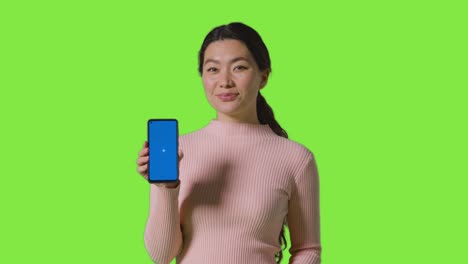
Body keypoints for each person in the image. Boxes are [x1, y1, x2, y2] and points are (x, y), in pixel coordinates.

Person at [136, 22, 321, 264]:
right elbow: (161, 256)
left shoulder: (296, 158)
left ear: (263, 76)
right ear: (202, 76)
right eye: (212, 69)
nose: (224, 81)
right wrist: (165, 188)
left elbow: (308, 249)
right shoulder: (177, 151)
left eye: (239, 68)